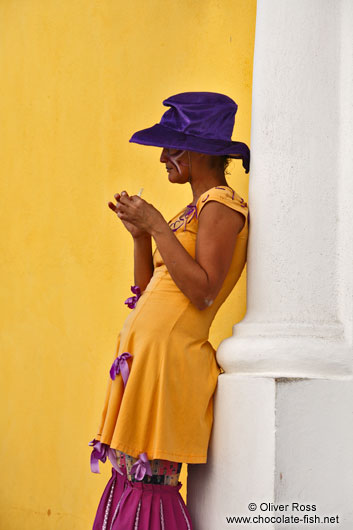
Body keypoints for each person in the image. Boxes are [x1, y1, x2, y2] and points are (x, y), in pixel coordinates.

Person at [89, 91, 250, 529]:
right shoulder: (192, 210)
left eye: (173, 146)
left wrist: (157, 224)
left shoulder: (221, 205)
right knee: (128, 471)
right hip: (146, 362)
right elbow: (145, 294)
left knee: (151, 480)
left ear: (202, 150)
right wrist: (141, 237)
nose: (162, 157)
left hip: (170, 363)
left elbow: (203, 292)